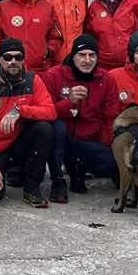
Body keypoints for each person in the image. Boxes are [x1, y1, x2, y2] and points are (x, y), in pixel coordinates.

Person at [0, 38, 57, 207]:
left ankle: (31, 188)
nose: (13, 62)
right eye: (7, 57)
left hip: (16, 144)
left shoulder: (32, 80)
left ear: (23, 60)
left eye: (18, 57)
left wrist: (21, 111)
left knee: (44, 128)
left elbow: (50, 111)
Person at [40, 35, 119, 198]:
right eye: (82, 55)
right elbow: (44, 111)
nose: (87, 60)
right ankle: (58, 180)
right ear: (73, 56)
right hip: (61, 139)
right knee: (55, 127)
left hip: (88, 141)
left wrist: (104, 145)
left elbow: (110, 117)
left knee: (113, 162)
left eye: (92, 55)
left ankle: (80, 169)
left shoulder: (107, 79)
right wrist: (69, 102)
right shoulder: (53, 75)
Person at [0, 0, 63, 74]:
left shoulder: (47, 7)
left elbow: (56, 36)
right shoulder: (3, 7)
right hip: (11, 69)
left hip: (40, 69)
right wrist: (2, 52)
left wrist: (47, 51)